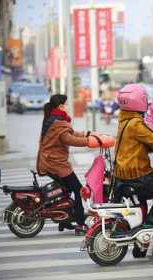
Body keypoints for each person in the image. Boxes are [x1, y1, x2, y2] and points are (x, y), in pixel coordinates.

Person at [113, 84, 153, 229]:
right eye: (145, 98)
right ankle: (151, 225)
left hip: (123, 175)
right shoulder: (136, 124)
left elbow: (144, 143)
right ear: (138, 101)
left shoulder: (125, 120)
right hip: (137, 176)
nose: (147, 102)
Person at [37, 94, 98, 235]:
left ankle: (64, 220)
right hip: (56, 163)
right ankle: (81, 223)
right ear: (60, 107)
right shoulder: (58, 122)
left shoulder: (54, 119)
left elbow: (72, 133)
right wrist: (90, 141)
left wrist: (88, 134)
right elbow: (69, 139)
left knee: (65, 190)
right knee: (78, 189)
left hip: (50, 161)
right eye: (66, 104)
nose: (68, 107)